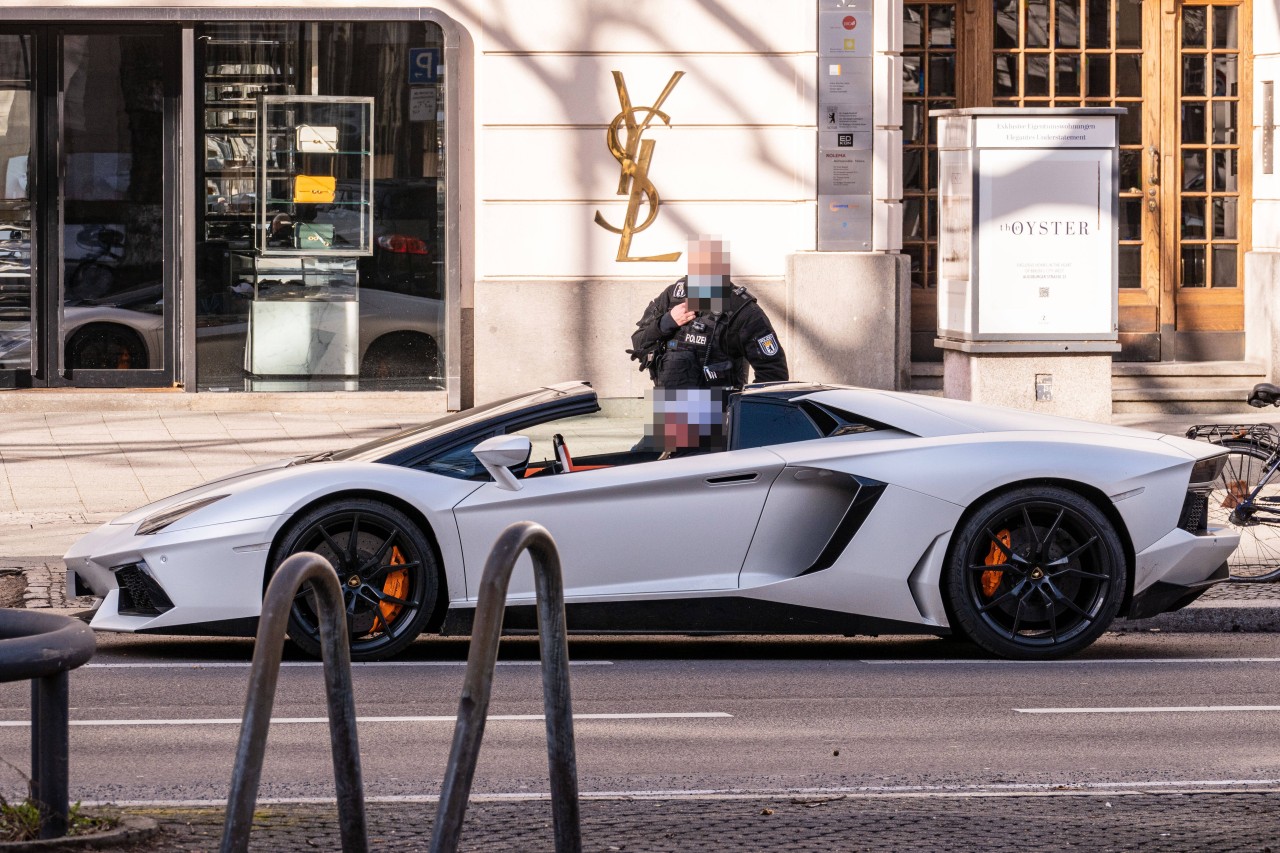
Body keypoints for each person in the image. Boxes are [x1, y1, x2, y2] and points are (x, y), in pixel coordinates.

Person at [629, 236, 788, 390]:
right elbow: (638, 341)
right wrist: (666, 322)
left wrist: (743, 409)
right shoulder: (673, 296)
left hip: (719, 412)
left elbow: (774, 372)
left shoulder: (741, 310)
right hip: (669, 409)